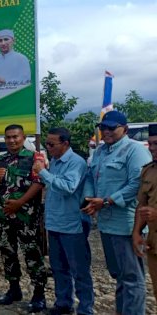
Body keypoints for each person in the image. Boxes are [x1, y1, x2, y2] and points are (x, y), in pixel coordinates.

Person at [82, 111, 151, 315]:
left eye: (112, 128)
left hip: (127, 224)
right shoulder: (101, 151)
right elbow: (89, 177)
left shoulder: (135, 151)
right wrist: (90, 200)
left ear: (125, 129)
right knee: (118, 274)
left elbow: (137, 185)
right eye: (104, 127)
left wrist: (107, 201)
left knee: (132, 277)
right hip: (105, 223)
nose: (106, 131)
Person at [32, 128, 94, 315]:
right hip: (55, 223)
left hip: (73, 224)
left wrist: (43, 172)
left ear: (65, 143)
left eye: (52, 144)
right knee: (59, 268)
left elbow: (68, 187)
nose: (48, 147)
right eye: (47, 144)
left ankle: (85, 308)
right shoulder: (57, 162)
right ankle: (63, 303)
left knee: (79, 270)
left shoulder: (76, 162)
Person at [0, 124, 47, 313]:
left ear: (23, 138)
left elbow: (39, 183)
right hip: (4, 216)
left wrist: (20, 202)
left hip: (26, 216)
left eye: (15, 137)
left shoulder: (34, 158)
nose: (12, 140)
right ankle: (14, 289)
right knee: (7, 253)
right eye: (8, 137)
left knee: (32, 254)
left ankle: (39, 295)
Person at [132, 124, 157, 301]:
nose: (153, 148)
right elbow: (142, 205)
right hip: (154, 243)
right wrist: (136, 232)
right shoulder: (148, 170)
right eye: (150, 144)